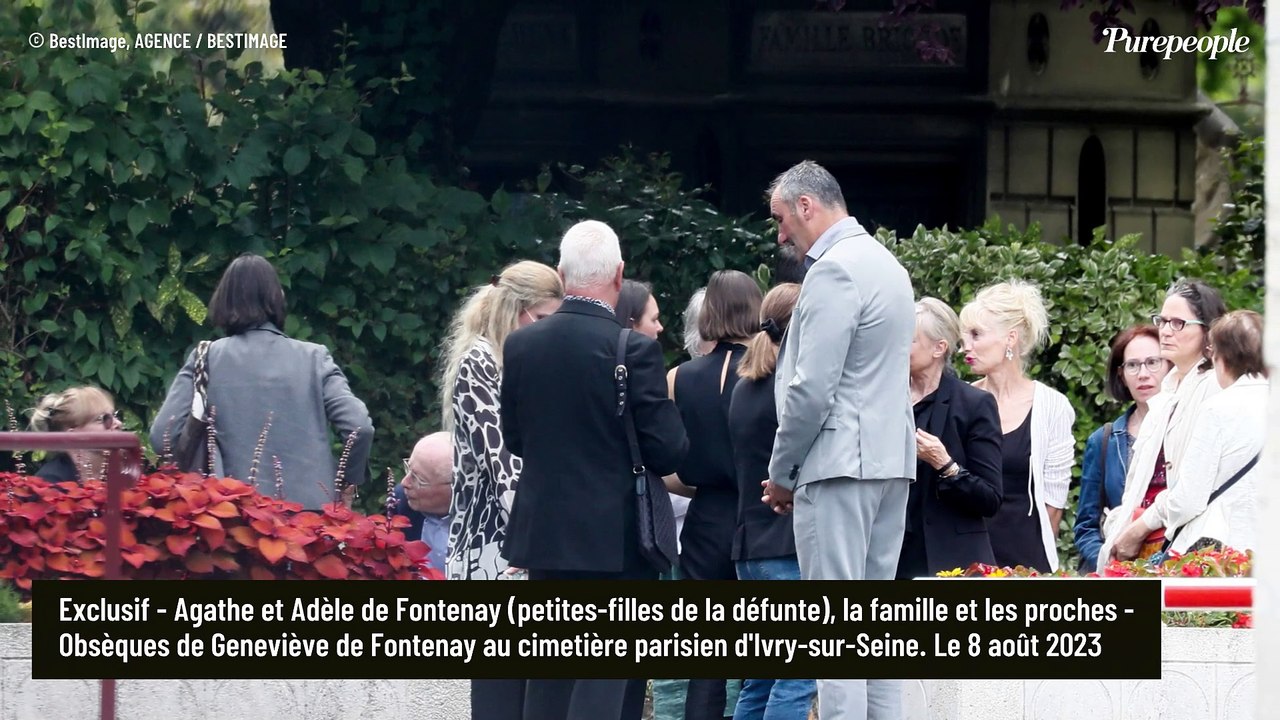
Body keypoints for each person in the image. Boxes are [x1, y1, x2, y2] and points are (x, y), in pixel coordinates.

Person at [500, 220, 688, 720]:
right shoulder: (634, 349)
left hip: (544, 533)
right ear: (620, 275)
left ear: (561, 275)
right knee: (608, 678)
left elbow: (515, 438)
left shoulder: (522, 346)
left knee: (550, 674)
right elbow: (669, 451)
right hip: (617, 537)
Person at [762, 160, 915, 720]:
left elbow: (810, 390)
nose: (780, 232)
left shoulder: (833, 270)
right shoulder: (889, 265)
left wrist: (781, 474)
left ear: (808, 206)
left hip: (838, 464)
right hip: (890, 463)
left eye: (781, 217)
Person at [151, 254, 374, 508]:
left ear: (222, 301)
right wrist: (346, 482)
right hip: (311, 517)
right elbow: (360, 428)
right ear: (278, 297)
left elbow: (162, 437)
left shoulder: (206, 357)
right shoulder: (315, 358)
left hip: (231, 513)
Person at [669, 269, 761, 720]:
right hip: (760, 514)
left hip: (705, 514)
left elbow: (672, 461)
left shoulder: (681, 375)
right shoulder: (770, 371)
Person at [442, 260, 563, 582]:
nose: (546, 329)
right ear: (513, 309)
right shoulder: (479, 361)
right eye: (540, 318)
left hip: (521, 537)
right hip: (492, 541)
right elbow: (502, 462)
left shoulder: (521, 359)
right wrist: (531, 543)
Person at [727, 282, 814, 720]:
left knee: (761, 677)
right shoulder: (794, 393)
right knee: (798, 676)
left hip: (750, 546)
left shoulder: (746, 387)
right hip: (786, 547)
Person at [1102, 281, 1230, 561]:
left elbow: (1191, 491)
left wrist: (1139, 527)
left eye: (1179, 323)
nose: (1166, 331)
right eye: (1162, 321)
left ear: (1208, 331)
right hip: (1159, 542)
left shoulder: (1213, 386)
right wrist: (1120, 525)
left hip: (1199, 545)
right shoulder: (1170, 388)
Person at [958, 280, 1074, 573]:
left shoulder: (1052, 406)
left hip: (1029, 561)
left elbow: (1054, 503)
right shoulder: (960, 402)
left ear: (1010, 339)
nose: (965, 347)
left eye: (976, 335)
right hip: (968, 560)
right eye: (963, 337)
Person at [1140, 310, 1263, 553]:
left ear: (1221, 358)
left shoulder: (1217, 409)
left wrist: (1161, 511)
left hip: (1227, 554)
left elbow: (1188, 500)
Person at [897, 298, 1003, 579]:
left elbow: (990, 499)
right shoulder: (886, 400)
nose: (898, 346)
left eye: (910, 340)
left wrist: (946, 465)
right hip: (894, 558)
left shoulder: (973, 404)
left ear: (939, 348)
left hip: (956, 561)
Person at [1072, 325, 1171, 572]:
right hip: (1119, 573)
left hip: (1177, 568)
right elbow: (1086, 526)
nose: (1143, 374)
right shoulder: (1104, 440)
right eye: (1133, 365)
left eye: (1153, 362)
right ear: (1121, 375)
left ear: (1170, 366)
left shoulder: (1187, 429)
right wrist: (1110, 567)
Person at [29, 386, 124, 482]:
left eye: (116, 415)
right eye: (104, 419)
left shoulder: (125, 471)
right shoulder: (51, 482)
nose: (118, 423)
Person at [395, 432, 453, 573]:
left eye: (417, 478)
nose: (404, 482)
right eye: (408, 469)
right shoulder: (401, 501)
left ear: (453, 486)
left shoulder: (491, 519)